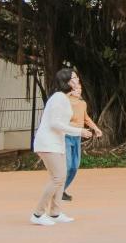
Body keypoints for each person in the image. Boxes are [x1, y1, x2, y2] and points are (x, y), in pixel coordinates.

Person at [30, 68, 92, 226]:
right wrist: (79, 131)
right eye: (74, 78)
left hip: (57, 143)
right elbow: (55, 123)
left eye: (77, 77)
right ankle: (38, 214)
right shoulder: (58, 98)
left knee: (61, 177)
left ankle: (55, 212)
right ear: (67, 82)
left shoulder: (63, 97)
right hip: (48, 143)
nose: (77, 80)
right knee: (57, 178)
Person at [62, 75, 103, 202]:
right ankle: (57, 190)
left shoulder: (82, 103)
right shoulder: (65, 101)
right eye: (76, 88)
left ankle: (62, 189)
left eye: (80, 89)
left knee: (75, 166)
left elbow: (86, 118)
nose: (79, 90)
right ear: (70, 90)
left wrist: (96, 128)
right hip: (66, 136)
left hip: (77, 137)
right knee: (68, 165)